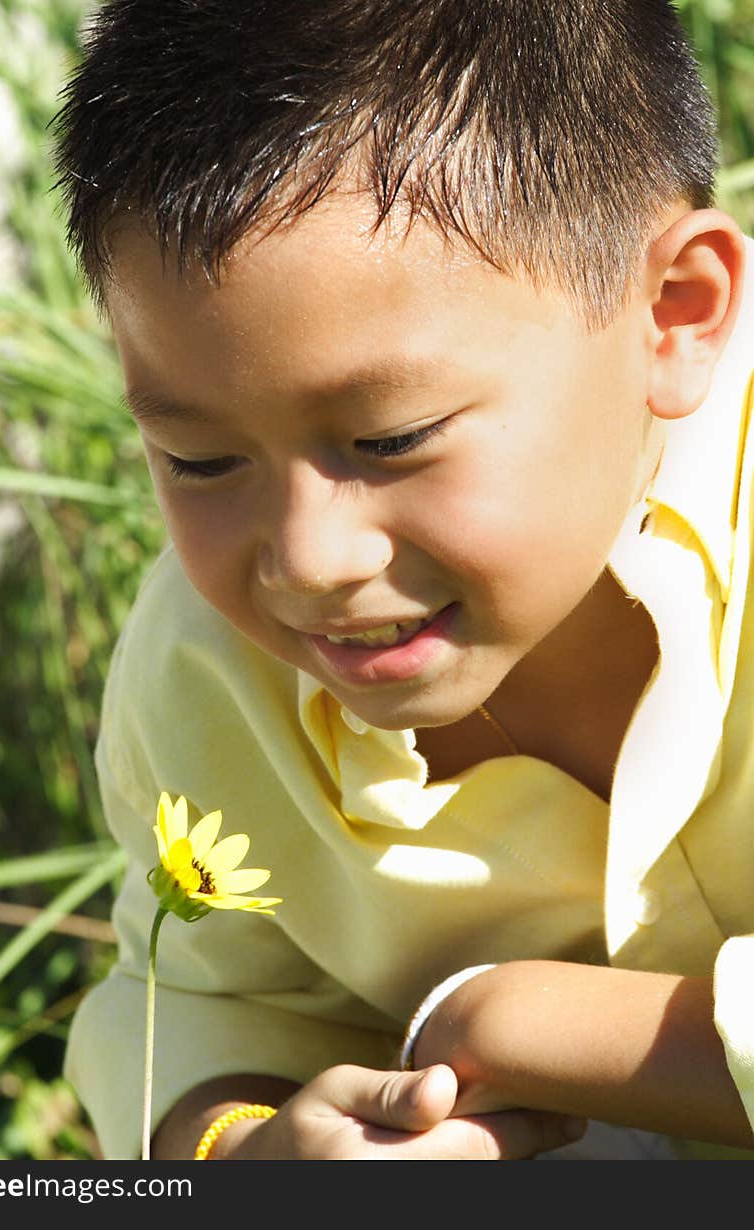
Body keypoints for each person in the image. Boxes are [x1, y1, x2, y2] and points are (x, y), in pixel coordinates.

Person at [53, 0, 754, 1160]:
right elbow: (201, 1006)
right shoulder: (205, 674)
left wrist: (513, 1023)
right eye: (199, 459)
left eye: (390, 440)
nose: (311, 561)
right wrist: (244, 1146)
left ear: (674, 315)